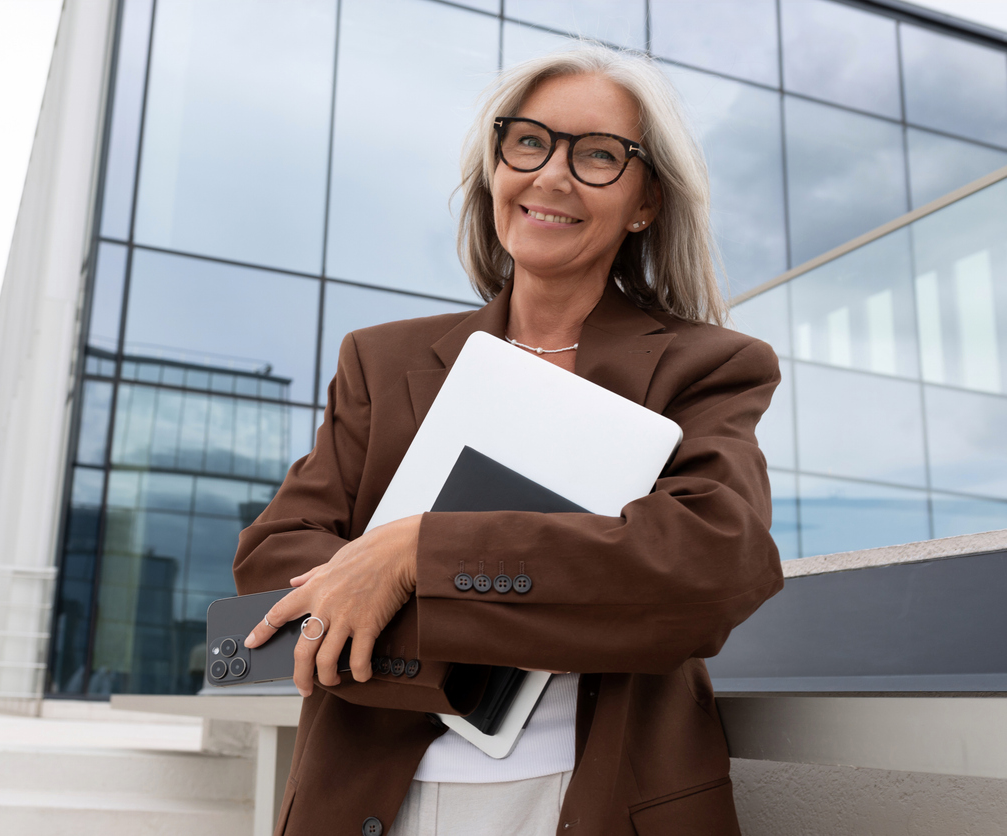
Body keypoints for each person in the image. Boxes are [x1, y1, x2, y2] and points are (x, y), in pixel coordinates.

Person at [234, 41, 783, 836]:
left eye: (598, 155)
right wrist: (580, 604)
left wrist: (412, 557)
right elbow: (275, 562)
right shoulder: (380, 361)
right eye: (529, 141)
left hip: (595, 799)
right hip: (364, 802)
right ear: (495, 166)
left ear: (645, 201)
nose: (551, 175)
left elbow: (705, 569)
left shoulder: (710, 367)